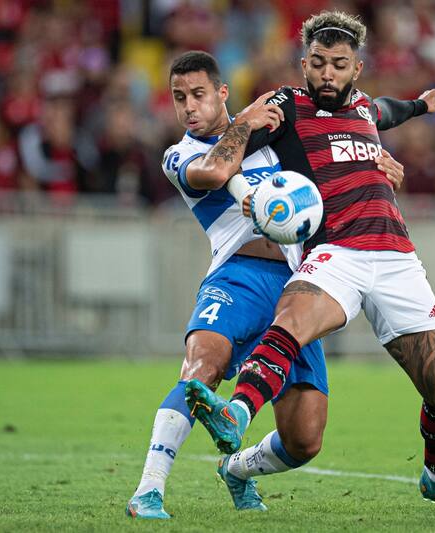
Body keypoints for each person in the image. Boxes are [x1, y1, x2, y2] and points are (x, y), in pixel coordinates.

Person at [184, 12, 435, 512]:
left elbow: (386, 110)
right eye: (320, 64)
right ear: (305, 63)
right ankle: (236, 415)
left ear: (357, 68)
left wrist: (420, 105)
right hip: (334, 251)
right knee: (291, 323)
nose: (328, 74)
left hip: (395, 255)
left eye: (340, 66)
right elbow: (220, 165)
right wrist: (242, 123)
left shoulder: (367, 110)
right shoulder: (285, 105)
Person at [127, 50, 419, 519]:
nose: (188, 107)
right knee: (203, 365)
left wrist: (380, 168)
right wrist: (243, 124)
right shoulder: (180, 154)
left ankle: (237, 469)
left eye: (198, 95)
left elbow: (343, 148)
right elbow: (218, 173)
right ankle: (148, 491)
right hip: (237, 278)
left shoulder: (275, 138)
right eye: (179, 98)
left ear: (220, 92)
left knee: (305, 439)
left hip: (300, 284)